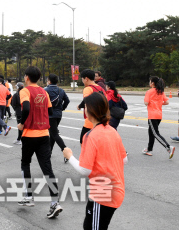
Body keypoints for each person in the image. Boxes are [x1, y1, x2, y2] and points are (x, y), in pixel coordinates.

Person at [63, 92, 127, 230]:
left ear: (90, 110)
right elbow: (124, 159)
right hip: (117, 190)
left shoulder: (91, 135)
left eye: (85, 106)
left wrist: (69, 157)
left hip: (103, 195)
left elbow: (85, 170)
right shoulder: (112, 130)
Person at [17, 66, 63, 219]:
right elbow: (49, 112)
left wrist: (22, 123)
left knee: (25, 163)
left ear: (27, 77)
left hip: (30, 134)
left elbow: (26, 108)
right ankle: (55, 202)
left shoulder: (25, 90)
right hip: (44, 134)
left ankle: (28, 196)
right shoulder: (44, 92)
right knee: (47, 169)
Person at [143, 76, 175, 159]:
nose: (149, 83)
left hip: (152, 115)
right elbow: (167, 102)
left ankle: (168, 147)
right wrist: (158, 103)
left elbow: (146, 102)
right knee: (151, 132)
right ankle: (149, 149)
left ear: (152, 83)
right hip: (159, 115)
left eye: (150, 81)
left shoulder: (149, 92)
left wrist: (152, 103)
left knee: (155, 133)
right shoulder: (161, 92)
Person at [44, 74, 70, 160]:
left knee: (54, 134)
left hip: (50, 115)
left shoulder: (45, 90)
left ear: (49, 81)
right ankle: (49, 152)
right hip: (58, 115)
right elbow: (67, 100)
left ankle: (66, 151)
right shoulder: (60, 90)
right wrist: (62, 108)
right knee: (53, 133)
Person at [77, 69, 105, 145]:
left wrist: (80, 106)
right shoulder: (101, 88)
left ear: (86, 79)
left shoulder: (88, 89)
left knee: (83, 143)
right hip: (102, 120)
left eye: (82, 79)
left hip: (91, 121)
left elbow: (87, 100)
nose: (82, 81)